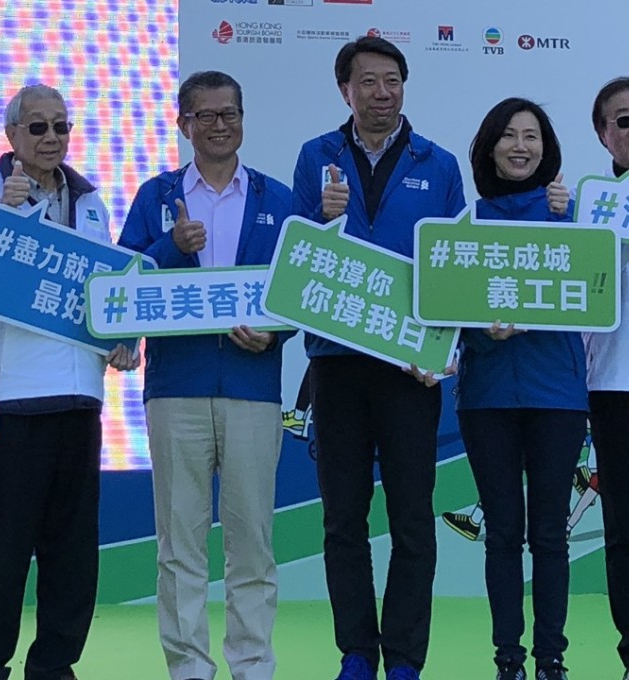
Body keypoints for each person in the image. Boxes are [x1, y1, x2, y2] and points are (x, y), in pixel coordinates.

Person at [289, 37, 465, 680]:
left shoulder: (439, 165)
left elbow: (453, 271)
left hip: (409, 370)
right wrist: (320, 216)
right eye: (368, 81)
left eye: (392, 81)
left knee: (413, 519)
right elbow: (296, 254)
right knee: (343, 519)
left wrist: (440, 350)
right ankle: (357, 651)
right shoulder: (317, 157)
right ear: (346, 90)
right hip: (335, 363)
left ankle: (406, 658)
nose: (382, 93)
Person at [0, 83, 138, 680]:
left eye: (61, 126)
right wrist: (10, 212)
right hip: (9, 397)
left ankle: (55, 665)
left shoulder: (91, 202)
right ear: (11, 136)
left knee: (71, 550)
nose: (52, 138)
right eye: (37, 127)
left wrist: (123, 336)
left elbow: (106, 290)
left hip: (79, 395)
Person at [118, 70, 293, 680]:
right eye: (207, 115)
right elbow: (122, 285)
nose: (220, 125)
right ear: (183, 123)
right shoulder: (157, 195)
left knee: (253, 544)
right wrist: (168, 245)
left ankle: (252, 664)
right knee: (179, 545)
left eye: (231, 113)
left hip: (253, 388)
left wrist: (277, 333)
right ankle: (189, 666)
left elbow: (304, 291)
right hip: (176, 387)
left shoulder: (277, 198)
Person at [459, 97, 584, 680]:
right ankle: (507, 658)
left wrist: (565, 220)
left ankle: (551, 659)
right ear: (489, 148)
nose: (520, 146)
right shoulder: (465, 225)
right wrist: (483, 334)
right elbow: (447, 315)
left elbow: (594, 294)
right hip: (487, 399)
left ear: (546, 148)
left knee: (550, 535)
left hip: (557, 396)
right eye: (508, 135)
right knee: (502, 534)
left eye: (531, 136)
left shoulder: (572, 214)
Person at [586, 76, 629, 680]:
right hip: (614, 388)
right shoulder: (588, 206)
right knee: (623, 532)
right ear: (603, 133)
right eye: (623, 119)